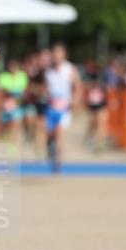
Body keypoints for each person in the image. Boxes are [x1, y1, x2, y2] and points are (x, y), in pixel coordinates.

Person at [43, 43, 82, 171]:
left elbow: (78, 86)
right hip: (51, 108)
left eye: (59, 53)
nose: (56, 56)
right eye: (54, 53)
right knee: (50, 135)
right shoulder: (48, 71)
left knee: (60, 134)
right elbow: (46, 88)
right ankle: (50, 146)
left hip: (64, 108)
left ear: (64, 54)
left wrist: (75, 100)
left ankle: (58, 163)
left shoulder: (70, 69)